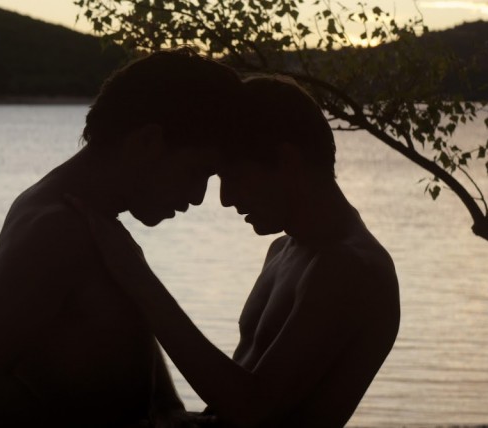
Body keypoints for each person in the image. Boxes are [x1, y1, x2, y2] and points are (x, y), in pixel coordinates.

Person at [0, 49, 247, 427]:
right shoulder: (58, 229)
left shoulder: (94, 227)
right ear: (148, 142)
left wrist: (172, 416)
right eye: (196, 171)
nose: (199, 196)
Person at [71, 75, 401, 427]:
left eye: (233, 177)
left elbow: (253, 407)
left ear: (286, 161)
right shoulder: (283, 251)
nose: (226, 199)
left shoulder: (353, 269)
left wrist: (137, 278)